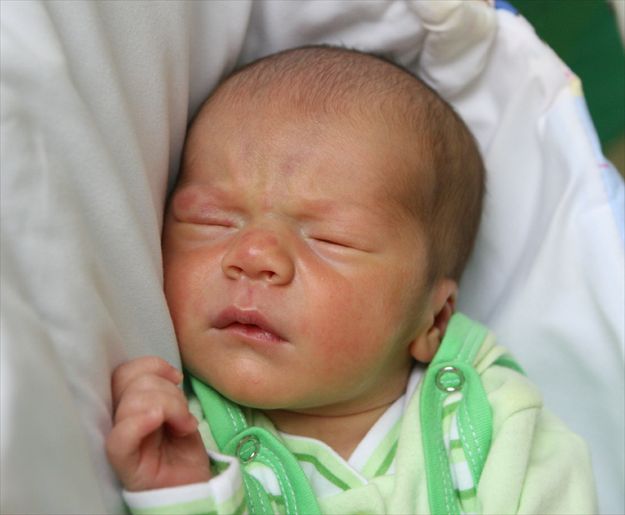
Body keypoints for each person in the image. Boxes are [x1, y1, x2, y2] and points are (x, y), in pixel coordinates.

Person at [106, 46, 596, 514]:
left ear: (433, 320)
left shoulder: (492, 429)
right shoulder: (181, 438)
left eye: (332, 239)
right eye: (210, 220)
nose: (254, 256)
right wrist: (179, 497)